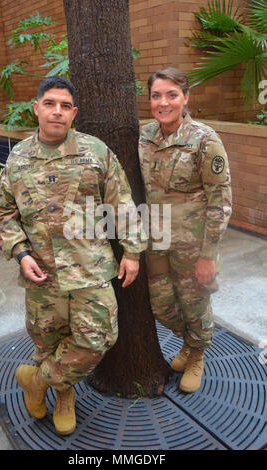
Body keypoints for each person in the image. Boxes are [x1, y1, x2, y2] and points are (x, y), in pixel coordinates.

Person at [0, 76, 147, 435]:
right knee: (47, 339)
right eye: (50, 103)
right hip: (41, 273)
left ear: (74, 112)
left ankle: (38, 381)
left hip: (90, 269)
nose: (57, 112)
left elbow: (121, 203)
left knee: (98, 338)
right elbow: (5, 212)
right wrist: (19, 253)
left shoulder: (95, 152)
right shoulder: (17, 159)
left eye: (65, 105)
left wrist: (133, 251)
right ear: (37, 108)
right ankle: (64, 395)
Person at [139, 67, 232, 393]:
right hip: (157, 241)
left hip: (193, 245)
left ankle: (197, 355)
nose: (163, 102)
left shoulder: (205, 140)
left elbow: (220, 201)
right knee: (162, 304)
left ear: (186, 98)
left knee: (194, 304)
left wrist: (208, 256)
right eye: (156, 95)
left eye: (171, 95)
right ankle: (190, 343)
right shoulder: (144, 136)